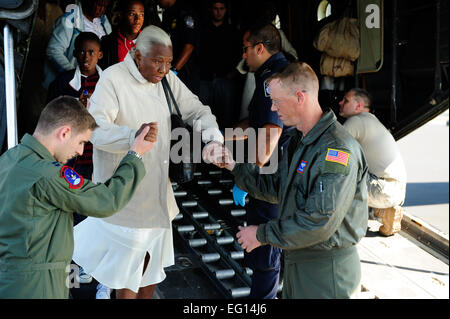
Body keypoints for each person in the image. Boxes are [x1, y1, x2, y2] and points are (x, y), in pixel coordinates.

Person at [72, 25, 223, 299]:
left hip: (158, 196)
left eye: (167, 62)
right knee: (127, 278)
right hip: (124, 199)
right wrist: (132, 136)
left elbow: (196, 110)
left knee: (152, 272)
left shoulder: (166, 80)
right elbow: (95, 129)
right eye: (158, 61)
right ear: (137, 55)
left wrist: (213, 140)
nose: (164, 68)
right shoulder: (113, 80)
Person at [203, 62, 369, 299]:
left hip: (325, 271)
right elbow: (277, 187)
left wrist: (261, 234)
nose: (273, 107)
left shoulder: (337, 150)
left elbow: (319, 221)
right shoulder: (299, 142)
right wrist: (232, 165)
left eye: (277, 101)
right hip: (298, 261)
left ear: (300, 97)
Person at [0, 96, 156, 299]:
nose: (80, 151)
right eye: (81, 141)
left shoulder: (10, 158)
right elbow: (107, 200)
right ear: (64, 132)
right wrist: (135, 154)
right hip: (39, 286)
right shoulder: (48, 175)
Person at [231, 23, 293, 299]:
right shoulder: (273, 72)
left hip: (270, 174)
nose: (243, 56)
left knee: (265, 250)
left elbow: (270, 134)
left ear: (259, 48)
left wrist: (248, 180)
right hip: (277, 170)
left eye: (246, 49)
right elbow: (256, 123)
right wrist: (226, 136)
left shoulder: (273, 80)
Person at [339, 88, 407, 236]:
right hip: (396, 191)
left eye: (345, 100)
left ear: (358, 106)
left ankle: (345, 225)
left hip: (380, 190)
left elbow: (335, 152)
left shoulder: (356, 120)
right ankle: (386, 211)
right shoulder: (372, 121)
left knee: (337, 168)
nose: (340, 102)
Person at [43, 0, 112, 89]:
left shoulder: (104, 23)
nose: (101, 9)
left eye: (105, 6)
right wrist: (75, 76)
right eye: (99, 5)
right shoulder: (69, 19)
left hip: (93, 85)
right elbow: (53, 51)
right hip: (67, 85)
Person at [198, 0, 241, 131]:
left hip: (226, 79)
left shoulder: (233, 31)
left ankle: (225, 146)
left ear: (226, 10)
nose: (218, 12)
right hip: (206, 79)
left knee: (226, 115)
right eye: (216, 8)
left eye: (221, 8)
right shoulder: (203, 29)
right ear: (211, 10)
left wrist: (234, 72)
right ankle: (204, 145)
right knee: (204, 114)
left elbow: (240, 54)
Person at [156, 0, 201, 94]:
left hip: (185, 73)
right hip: (169, 70)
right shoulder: (168, 13)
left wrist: (175, 70)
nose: (157, 2)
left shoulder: (185, 12)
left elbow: (189, 46)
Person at [99, 0, 145, 70]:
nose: (137, 20)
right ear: (120, 15)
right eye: (132, 14)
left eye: (141, 15)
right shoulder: (108, 43)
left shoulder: (149, 41)